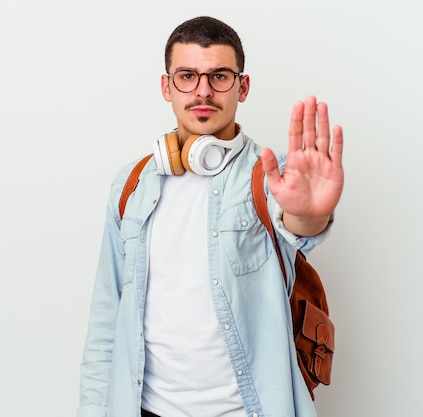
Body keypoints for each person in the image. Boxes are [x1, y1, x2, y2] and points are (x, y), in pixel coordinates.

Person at [77, 16, 344, 417]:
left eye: (220, 76)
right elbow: (105, 321)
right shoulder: (131, 185)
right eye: (187, 76)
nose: (203, 90)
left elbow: (298, 227)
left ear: (243, 86)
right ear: (167, 86)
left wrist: (309, 215)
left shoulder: (273, 177)